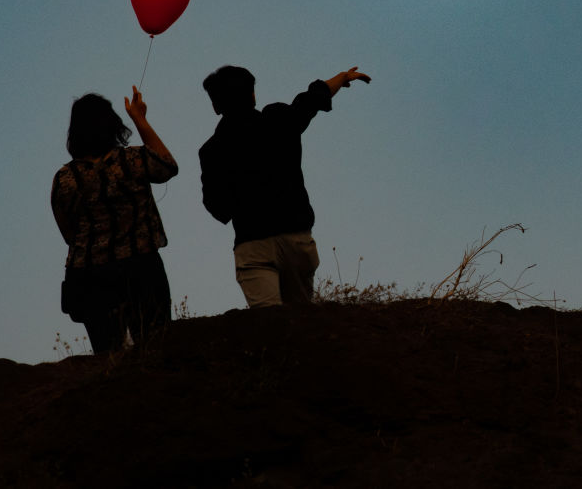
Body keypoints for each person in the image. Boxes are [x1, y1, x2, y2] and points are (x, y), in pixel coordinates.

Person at [199, 65, 371, 308]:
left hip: (252, 244)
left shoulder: (211, 151)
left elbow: (217, 208)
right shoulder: (278, 119)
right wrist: (341, 78)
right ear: (252, 95)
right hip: (296, 240)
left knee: (271, 327)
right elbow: (311, 100)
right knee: (300, 323)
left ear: (216, 106)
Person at [51, 86, 178, 354]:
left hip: (88, 276)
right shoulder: (132, 159)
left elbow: (68, 233)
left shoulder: (65, 178)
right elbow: (167, 166)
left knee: (107, 355)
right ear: (111, 125)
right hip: (141, 267)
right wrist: (140, 119)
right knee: (156, 346)